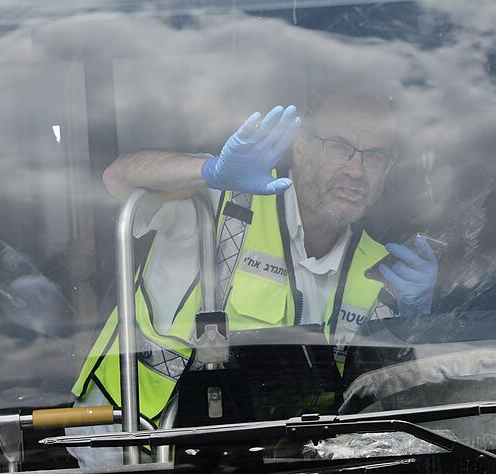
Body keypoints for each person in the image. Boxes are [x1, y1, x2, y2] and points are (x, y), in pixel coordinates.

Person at [67, 91, 439, 467]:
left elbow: (378, 401)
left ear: (388, 168)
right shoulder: (218, 206)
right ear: (302, 146)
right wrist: (207, 171)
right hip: (129, 444)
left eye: (373, 156)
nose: (356, 170)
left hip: (262, 459)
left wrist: (414, 323)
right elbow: (117, 178)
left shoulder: (385, 269)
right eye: (340, 147)